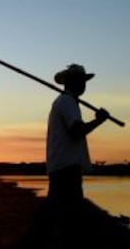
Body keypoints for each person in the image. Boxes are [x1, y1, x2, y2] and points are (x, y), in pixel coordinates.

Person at [46, 63, 109, 203]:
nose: (83, 85)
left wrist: (99, 120)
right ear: (71, 82)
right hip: (66, 169)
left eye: (84, 81)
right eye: (80, 81)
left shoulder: (67, 101)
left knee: (58, 213)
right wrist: (99, 120)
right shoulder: (67, 101)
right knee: (68, 213)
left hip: (62, 168)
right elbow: (77, 131)